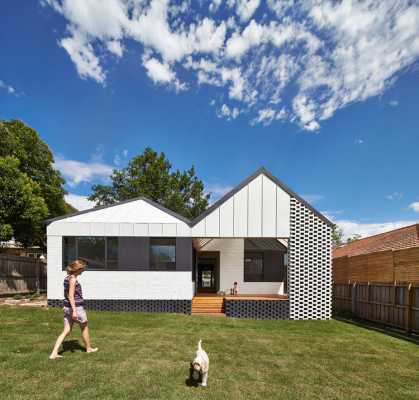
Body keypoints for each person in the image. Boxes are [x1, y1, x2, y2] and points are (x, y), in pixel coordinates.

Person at [49, 259, 98, 359]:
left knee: (66, 330)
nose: (84, 270)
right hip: (76, 308)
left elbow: (66, 294)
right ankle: (88, 348)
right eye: (83, 269)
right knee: (84, 327)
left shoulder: (67, 278)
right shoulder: (73, 279)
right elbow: (71, 296)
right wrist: (74, 311)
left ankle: (54, 353)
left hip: (67, 307)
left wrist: (66, 305)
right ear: (78, 269)